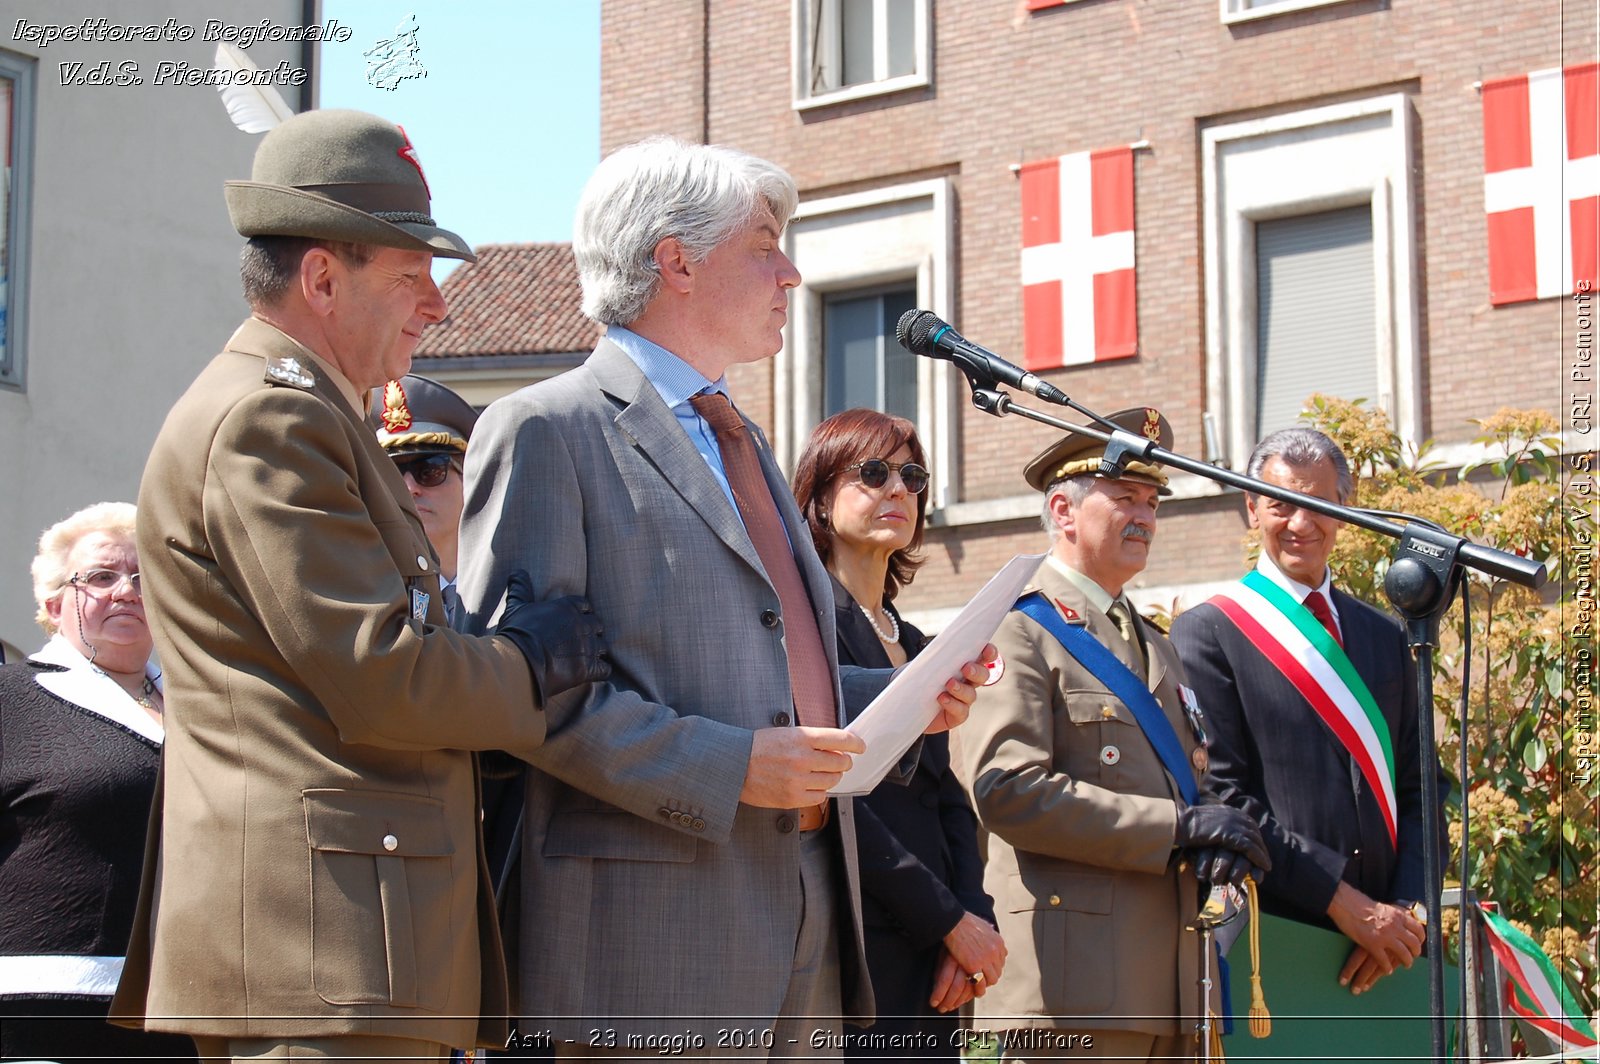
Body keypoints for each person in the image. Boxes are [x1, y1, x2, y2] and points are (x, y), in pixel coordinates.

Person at [457, 136, 992, 1056]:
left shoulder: (739, 437)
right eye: (764, 245)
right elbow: (513, 694)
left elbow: (771, 676)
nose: (790, 272)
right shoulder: (547, 429)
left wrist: (907, 706)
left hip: (809, 913)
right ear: (677, 262)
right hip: (644, 939)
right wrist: (728, 764)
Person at [109, 109, 610, 1061]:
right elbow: (381, 673)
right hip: (324, 951)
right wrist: (529, 665)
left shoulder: (303, 415)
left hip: (344, 943)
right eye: (413, 276)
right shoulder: (271, 421)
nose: (439, 306)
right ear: (322, 279)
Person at [957, 409, 1269, 1062]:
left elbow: (1187, 784)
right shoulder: (1016, 629)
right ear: (1064, 512)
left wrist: (1215, 838)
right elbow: (1007, 790)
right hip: (1072, 994)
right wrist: (1175, 830)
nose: (1146, 518)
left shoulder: (1154, 644)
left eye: (1153, 502)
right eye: (1125, 498)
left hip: (1176, 987)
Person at [1169, 427, 1446, 996]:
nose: (1300, 523)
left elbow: (1424, 784)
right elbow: (1225, 795)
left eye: (1318, 504)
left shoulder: (1384, 634)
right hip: (1280, 935)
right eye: (1280, 504)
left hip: (1394, 948)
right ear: (1251, 508)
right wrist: (1346, 905)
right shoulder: (1210, 632)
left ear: (1343, 508)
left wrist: (1406, 911)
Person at [791, 409, 1003, 1058]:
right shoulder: (801, 626)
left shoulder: (912, 641)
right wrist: (946, 919)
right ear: (821, 499)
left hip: (932, 951)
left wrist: (974, 917)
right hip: (853, 943)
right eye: (873, 472)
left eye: (912, 475)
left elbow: (945, 796)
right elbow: (832, 796)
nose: (898, 490)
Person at [0, 503, 197, 1064]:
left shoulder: (206, 712)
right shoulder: (11, 699)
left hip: (180, 1004)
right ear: (54, 601)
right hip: (39, 1009)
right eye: (102, 577)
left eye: (144, 578)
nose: (127, 591)